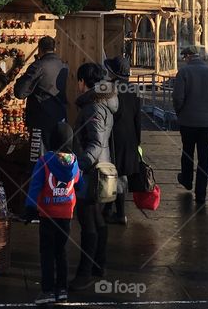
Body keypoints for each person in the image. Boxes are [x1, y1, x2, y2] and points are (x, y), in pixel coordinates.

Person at [26, 121, 85, 305]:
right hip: (66, 214)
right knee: (62, 253)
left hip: (47, 214)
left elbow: (35, 187)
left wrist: (29, 208)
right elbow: (80, 185)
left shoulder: (44, 162)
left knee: (47, 253)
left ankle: (47, 291)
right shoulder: (74, 163)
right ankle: (62, 290)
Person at [71, 62, 118, 290]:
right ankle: (100, 264)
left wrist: (78, 167)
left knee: (88, 220)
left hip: (92, 171)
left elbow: (96, 142)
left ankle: (85, 272)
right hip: (103, 166)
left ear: (84, 82)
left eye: (78, 80)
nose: (77, 85)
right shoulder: (104, 102)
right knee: (98, 219)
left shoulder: (93, 107)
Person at [173, 47, 208, 206]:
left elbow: (177, 98)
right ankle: (200, 194)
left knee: (187, 151)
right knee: (203, 158)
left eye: (184, 57)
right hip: (207, 124)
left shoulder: (184, 73)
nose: (184, 60)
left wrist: (180, 113)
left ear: (189, 56)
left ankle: (187, 180)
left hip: (188, 122)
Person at [14, 36, 68, 160]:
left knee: (38, 159)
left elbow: (20, 92)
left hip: (40, 119)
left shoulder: (38, 66)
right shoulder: (63, 65)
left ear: (40, 49)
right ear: (54, 48)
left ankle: (39, 180)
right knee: (56, 157)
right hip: (60, 117)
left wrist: (20, 80)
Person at [104, 56, 141, 225]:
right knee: (122, 174)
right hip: (130, 137)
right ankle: (114, 210)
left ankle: (119, 213)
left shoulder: (109, 89)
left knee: (114, 175)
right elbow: (137, 118)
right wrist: (137, 141)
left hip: (114, 137)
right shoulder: (133, 90)